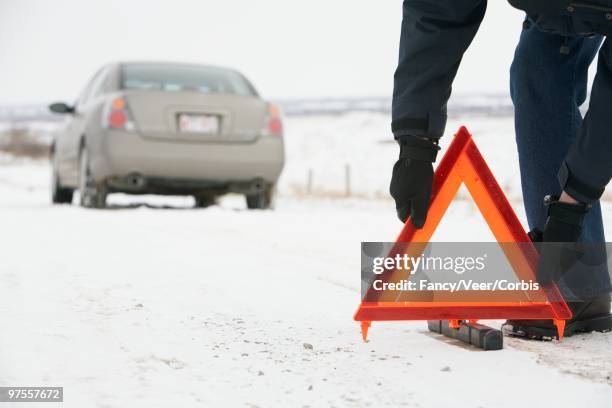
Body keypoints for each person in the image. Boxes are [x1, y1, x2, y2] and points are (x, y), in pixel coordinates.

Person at [390, 0, 612, 339]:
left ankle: (570, 266)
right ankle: (574, 283)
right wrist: (414, 143)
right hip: (557, 10)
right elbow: (437, 13)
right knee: (537, 67)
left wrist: (575, 198)